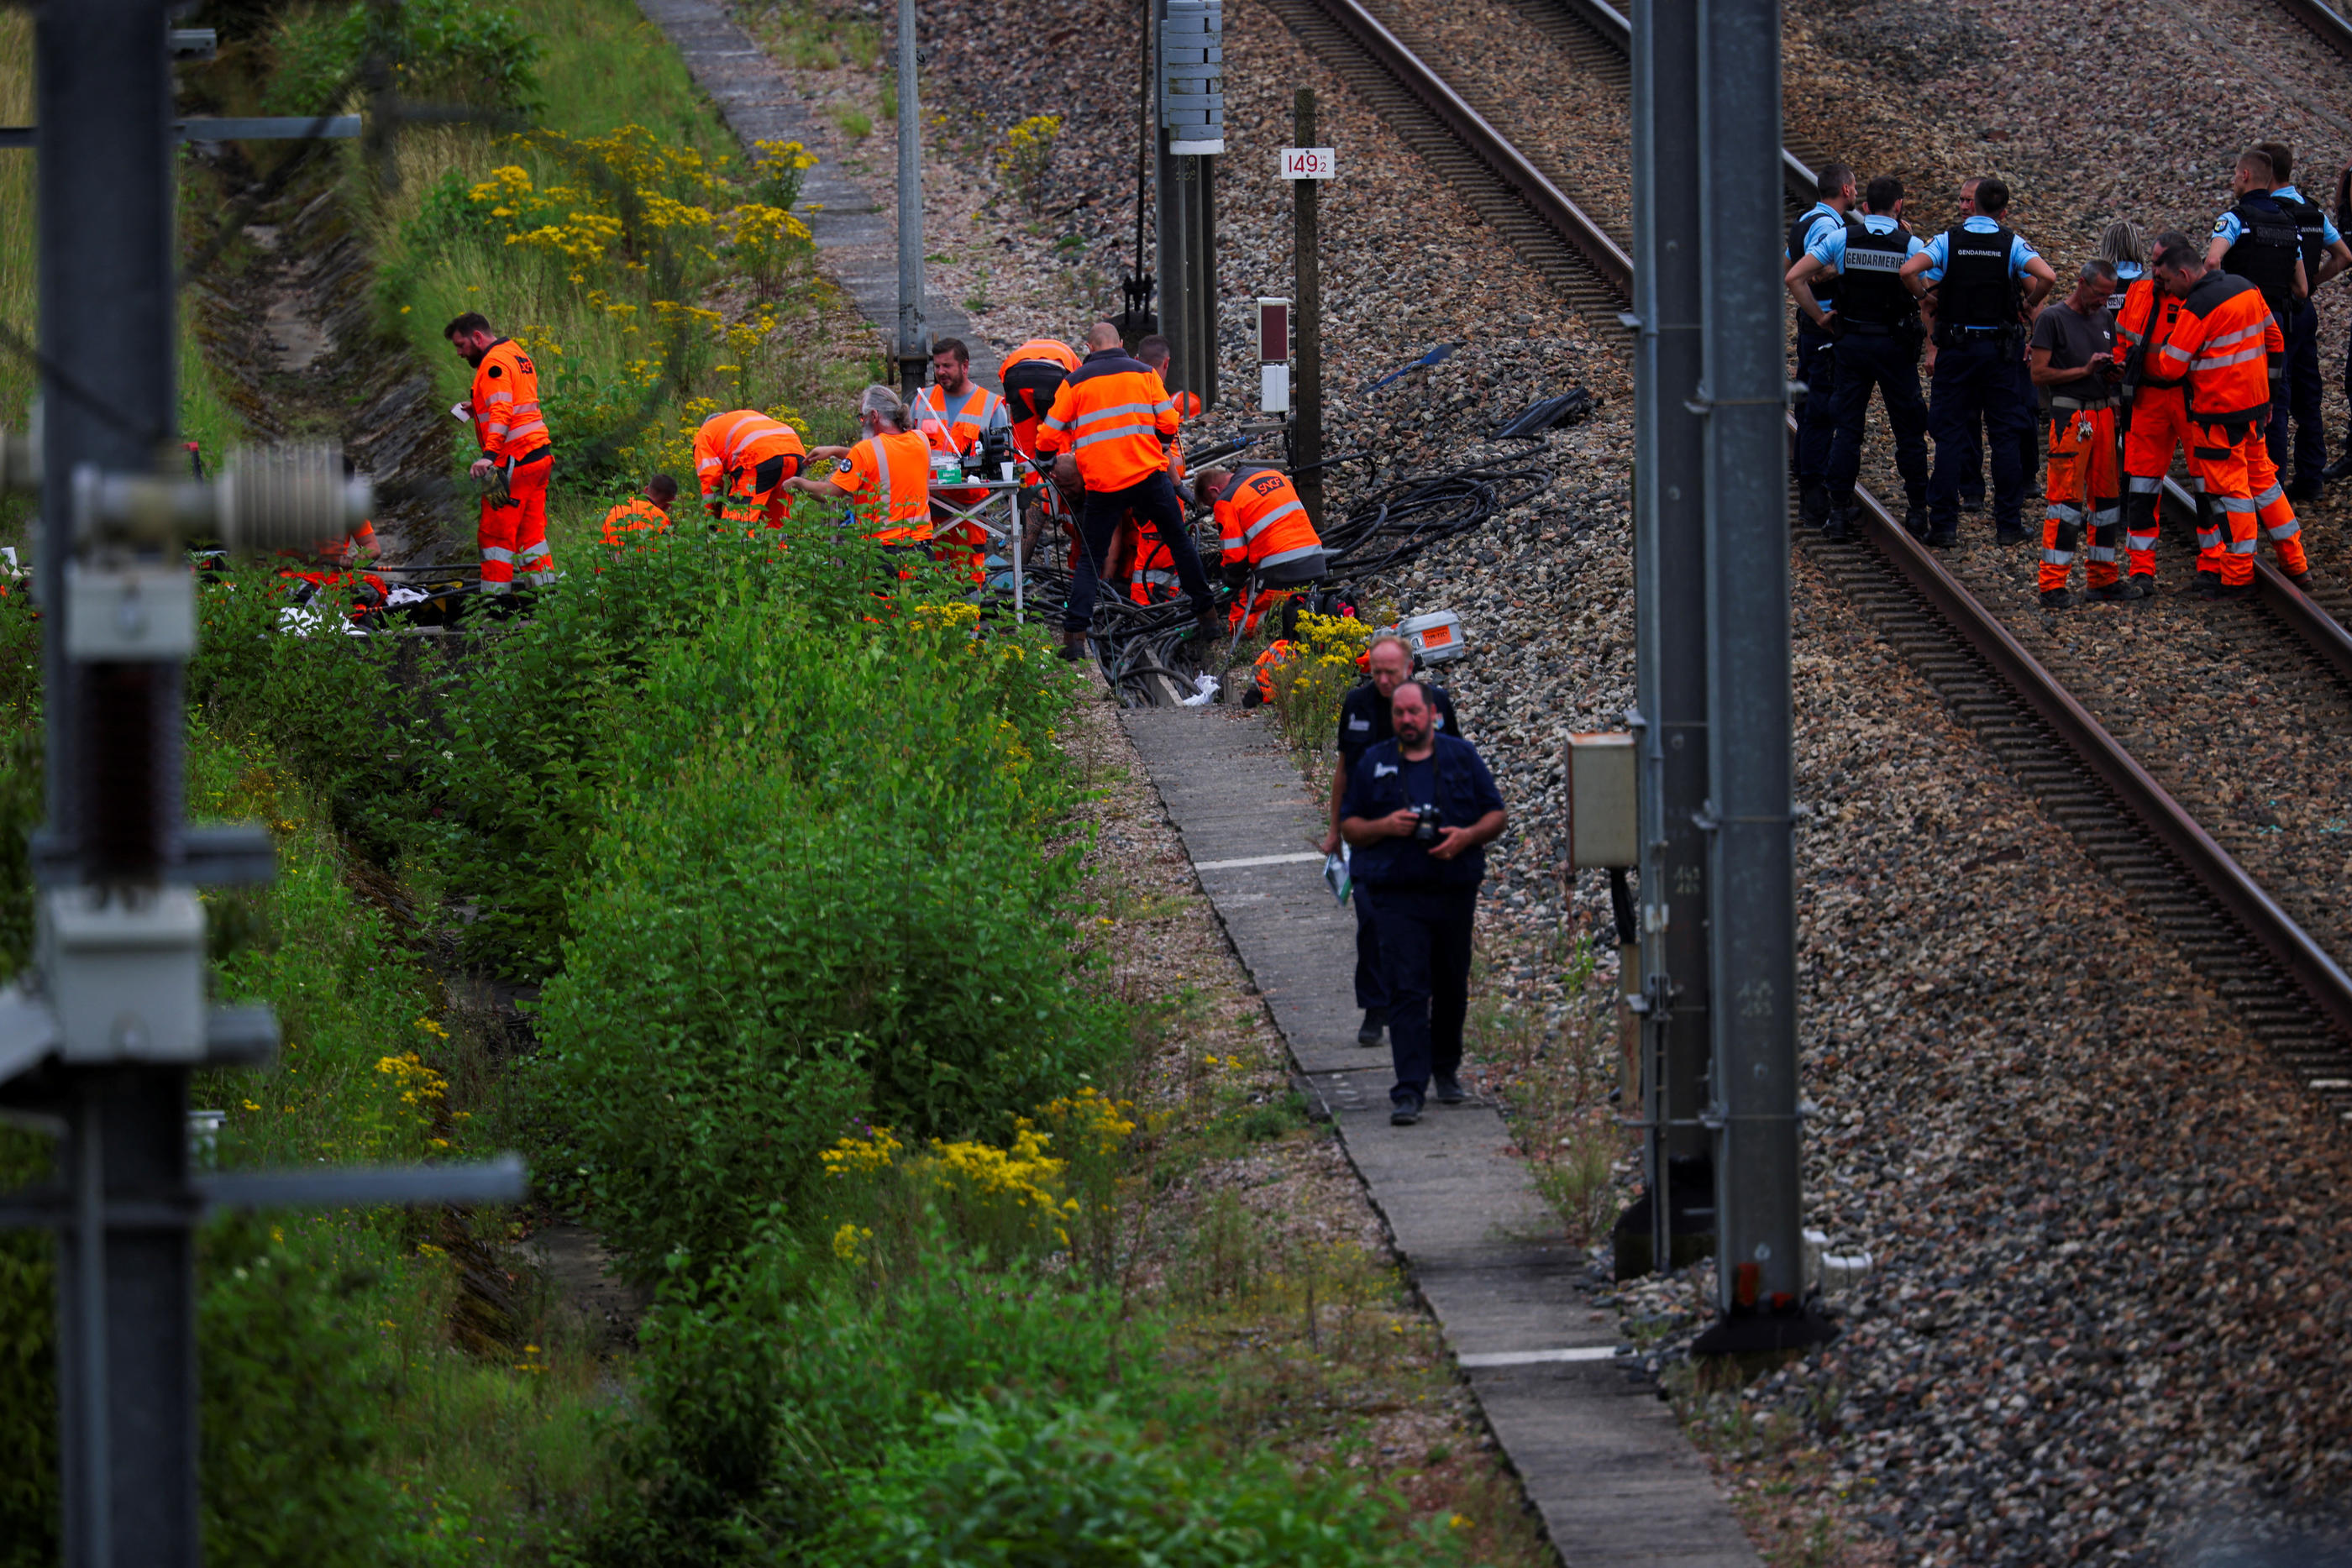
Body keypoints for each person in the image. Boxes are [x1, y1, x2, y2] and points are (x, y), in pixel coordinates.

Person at [1339, 681, 1507, 1126]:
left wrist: (1467, 837)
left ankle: (1446, 1070)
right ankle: (1409, 1089)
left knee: (1451, 987)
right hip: (1396, 896)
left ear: (1432, 714)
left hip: (1453, 891)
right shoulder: (1375, 762)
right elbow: (1351, 827)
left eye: (1414, 712)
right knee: (1407, 991)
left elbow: (1496, 814)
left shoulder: (1461, 756)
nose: (1406, 721)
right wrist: (1387, 826)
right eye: (1399, 714)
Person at [1034, 322, 1221, 660]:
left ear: (1089, 348)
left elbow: (1048, 436)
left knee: (1090, 560)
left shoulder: (1074, 382)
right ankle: (1208, 618)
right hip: (1148, 475)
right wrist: (1158, 445)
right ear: (1121, 343)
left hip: (1104, 485)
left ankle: (1074, 637)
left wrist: (1046, 460)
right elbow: (1168, 421)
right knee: (1179, 542)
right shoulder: (1144, 373)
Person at [2149, 235, 2313, 597]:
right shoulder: (2245, 288)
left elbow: (2169, 368)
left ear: (2183, 274)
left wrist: (2165, 341)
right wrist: (2268, 394)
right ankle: (2296, 564)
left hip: (2218, 416)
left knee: (2232, 493)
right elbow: (2275, 341)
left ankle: (2237, 576)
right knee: (2265, 485)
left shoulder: (2196, 307)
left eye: (2167, 282)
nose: (2167, 289)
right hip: (2254, 410)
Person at [1320, 635, 1462, 1048]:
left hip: (1424, 828)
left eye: (1391, 673)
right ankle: (1374, 1005)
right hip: (1370, 831)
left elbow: (1455, 764)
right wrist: (1334, 830)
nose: (1382, 680)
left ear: (1410, 670)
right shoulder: (1357, 705)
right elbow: (1344, 770)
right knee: (1371, 919)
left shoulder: (1436, 704)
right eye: (1375, 672)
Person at [1898, 177, 2056, 547]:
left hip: (1957, 351)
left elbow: (1908, 271)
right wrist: (2028, 304)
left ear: (1974, 205)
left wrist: (1925, 294)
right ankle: (2008, 525)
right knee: (2004, 437)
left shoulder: (1948, 241)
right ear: (2002, 211)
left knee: (1950, 435)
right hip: (2000, 354)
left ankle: (1945, 526)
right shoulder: (2011, 243)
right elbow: (2047, 276)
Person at [1785, 173, 1929, 538]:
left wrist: (1819, 316)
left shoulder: (1840, 238)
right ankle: (1916, 511)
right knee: (1908, 430)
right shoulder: (1911, 245)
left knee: (1847, 431)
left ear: (1865, 206)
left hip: (1851, 345)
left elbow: (1794, 278)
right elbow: (1924, 294)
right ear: (1898, 206)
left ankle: (1836, 515)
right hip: (1895, 348)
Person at [2205, 147, 2312, 506]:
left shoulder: (2235, 219)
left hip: (2240, 324)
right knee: (2275, 405)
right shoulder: (2288, 223)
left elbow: (2212, 260)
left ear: (2246, 176)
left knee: (2235, 402)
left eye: (2236, 174)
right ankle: (2272, 486)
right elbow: (2302, 288)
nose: (2234, 180)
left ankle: (2236, 483)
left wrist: (2223, 302)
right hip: (2276, 325)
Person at [2255, 142, 2349, 499]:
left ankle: (2273, 484)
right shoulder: (2313, 212)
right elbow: (2343, 256)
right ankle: (2312, 478)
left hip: (2274, 312)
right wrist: (2311, 287)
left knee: (2276, 399)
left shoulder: (2266, 213)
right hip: (2305, 312)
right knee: (2310, 397)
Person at [2029, 261, 2123, 607]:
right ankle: (2052, 585)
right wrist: (2083, 370)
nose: (2103, 302)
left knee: (2107, 501)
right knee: (2066, 503)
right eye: (2099, 294)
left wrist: (2110, 375)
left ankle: (2103, 578)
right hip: (2072, 419)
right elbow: (2039, 375)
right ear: (2081, 284)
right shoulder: (2052, 319)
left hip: (2102, 416)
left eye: (2109, 296)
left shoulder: (2105, 318)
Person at [444, 312, 555, 597]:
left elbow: (503, 410)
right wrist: (477, 405)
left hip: (508, 466)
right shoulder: (515, 353)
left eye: (461, 345)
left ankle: (495, 607)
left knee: (494, 535)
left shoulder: (492, 363)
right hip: (539, 459)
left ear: (477, 338)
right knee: (531, 536)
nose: (459, 353)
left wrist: (489, 457)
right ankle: (547, 599)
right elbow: (514, 399)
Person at [2115, 233, 2197, 591]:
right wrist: (2118, 381)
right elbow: (2122, 340)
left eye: (2159, 264)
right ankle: (2141, 570)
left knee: (2207, 483)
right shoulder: (2139, 292)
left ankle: (2213, 567)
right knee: (2142, 485)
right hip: (2147, 399)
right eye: (2152, 263)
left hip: (2189, 398)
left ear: (2178, 267)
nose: (2154, 270)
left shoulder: (2198, 296)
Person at [1788, 164, 1856, 529]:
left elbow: (1787, 262)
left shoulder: (1805, 219)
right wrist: (1819, 314)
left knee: (1810, 409)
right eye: (1854, 187)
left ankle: (1815, 495)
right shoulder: (1829, 226)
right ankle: (1815, 503)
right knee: (1819, 413)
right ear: (1846, 190)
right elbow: (1809, 273)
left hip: (1811, 329)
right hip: (1824, 329)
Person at [781, 384, 932, 545]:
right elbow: (882, 457)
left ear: (874, 416)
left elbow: (832, 493)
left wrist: (798, 483)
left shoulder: (865, 450)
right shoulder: (921, 439)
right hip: (922, 547)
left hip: (882, 550)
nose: (862, 423)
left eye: (862, 417)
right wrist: (837, 451)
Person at [912, 338, 1011, 579]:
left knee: (968, 578)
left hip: (970, 508)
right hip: (927, 506)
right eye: (937, 367)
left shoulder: (991, 406)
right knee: (922, 576)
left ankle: (968, 617)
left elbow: (1004, 461)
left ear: (965, 366)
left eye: (947, 366)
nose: (940, 372)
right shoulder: (921, 401)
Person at [692, 408, 806, 527]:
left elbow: (712, 478)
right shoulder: (739, 418)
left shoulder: (704, 433)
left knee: (736, 525)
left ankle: (736, 544)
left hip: (758, 458)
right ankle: (782, 546)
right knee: (778, 523)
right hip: (796, 453)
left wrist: (712, 518)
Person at [601, 474, 677, 546]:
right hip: (637, 559)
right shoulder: (661, 519)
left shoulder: (621, 505)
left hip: (606, 557)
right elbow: (668, 553)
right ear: (672, 501)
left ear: (646, 489)